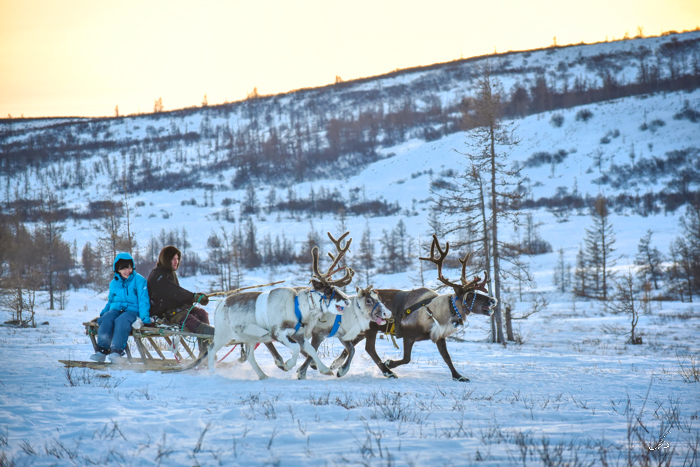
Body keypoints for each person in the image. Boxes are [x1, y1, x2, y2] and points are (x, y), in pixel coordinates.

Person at [90, 252, 151, 364]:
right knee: (107, 319)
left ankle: (116, 352)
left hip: (133, 311)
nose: (127, 271)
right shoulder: (114, 283)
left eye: (129, 267)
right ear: (117, 269)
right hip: (117, 309)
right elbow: (111, 300)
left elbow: (143, 300)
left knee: (121, 321)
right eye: (123, 268)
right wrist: (104, 313)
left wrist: (145, 317)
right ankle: (101, 351)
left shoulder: (139, 280)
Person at [147, 245, 214, 335]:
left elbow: (178, 293)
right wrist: (193, 297)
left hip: (176, 309)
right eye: (173, 259)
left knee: (202, 313)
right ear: (166, 260)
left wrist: (195, 297)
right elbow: (175, 292)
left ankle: (207, 347)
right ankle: (213, 334)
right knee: (190, 320)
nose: (176, 262)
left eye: (177, 259)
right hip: (164, 314)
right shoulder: (159, 275)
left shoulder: (170, 273)